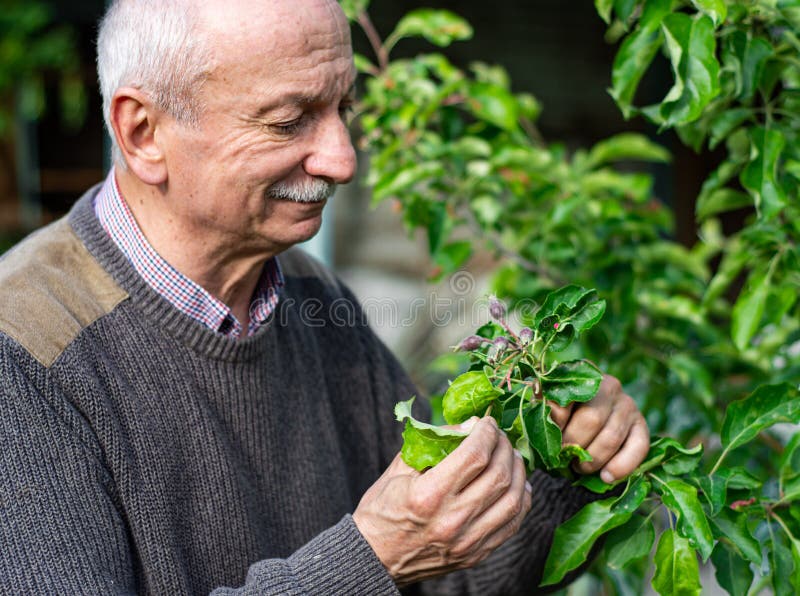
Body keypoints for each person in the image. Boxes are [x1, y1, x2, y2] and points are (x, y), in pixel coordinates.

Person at [0, 0, 650, 593]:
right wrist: (370, 559)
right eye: (289, 121)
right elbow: (388, 563)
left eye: (343, 107)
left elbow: (451, 581)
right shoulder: (25, 349)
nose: (342, 159)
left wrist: (563, 468)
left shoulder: (311, 294)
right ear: (143, 133)